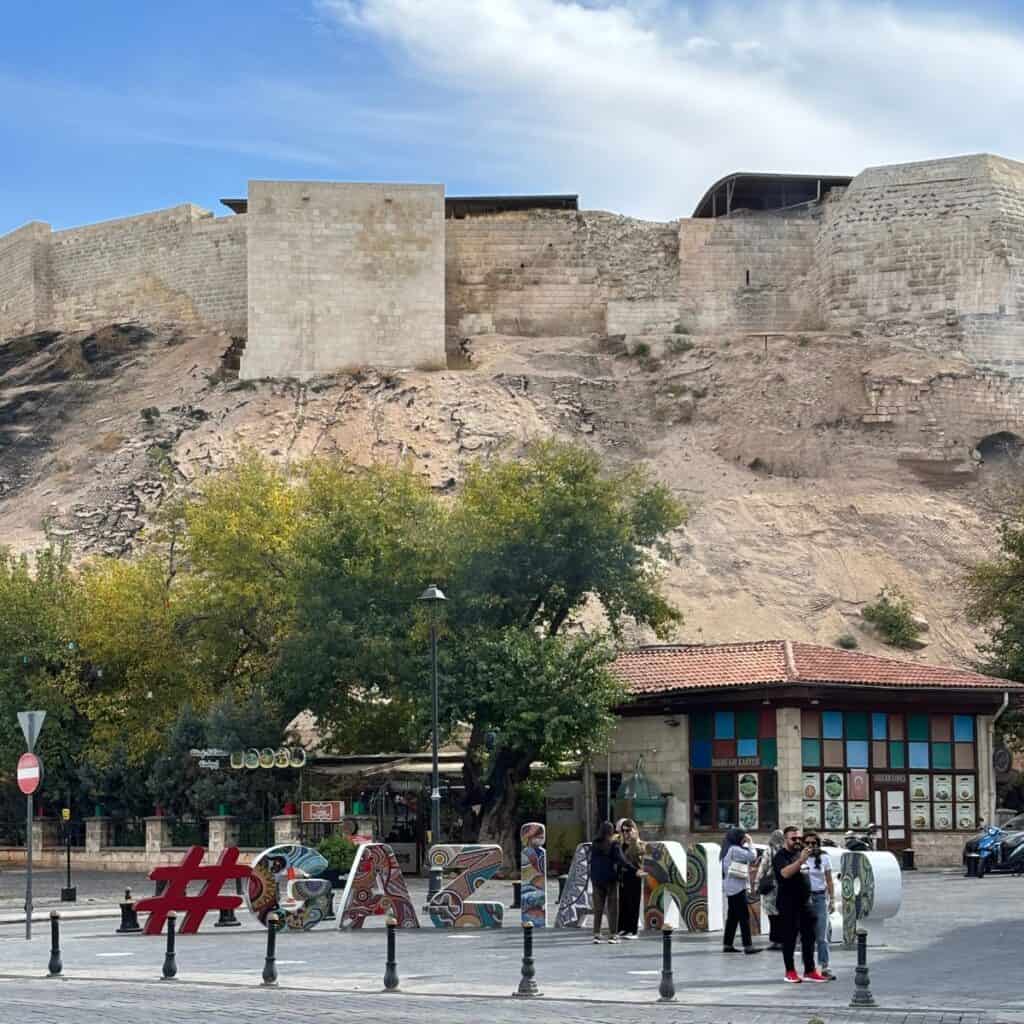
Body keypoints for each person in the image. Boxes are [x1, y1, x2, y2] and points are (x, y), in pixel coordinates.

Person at [773, 826, 828, 983]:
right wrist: (801, 861)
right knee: (789, 938)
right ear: (785, 839)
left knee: (809, 937)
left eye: (799, 838)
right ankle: (790, 971)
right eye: (793, 838)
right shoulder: (780, 856)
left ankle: (810, 970)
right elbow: (785, 873)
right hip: (788, 903)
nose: (797, 841)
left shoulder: (800, 853)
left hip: (805, 902)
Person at [720, 827, 762, 954]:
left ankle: (728, 944)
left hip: (730, 886)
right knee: (744, 916)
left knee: (732, 917)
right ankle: (748, 946)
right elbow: (752, 855)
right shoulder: (735, 849)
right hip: (738, 887)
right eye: (742, 836)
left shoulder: (726, 849)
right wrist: (750, 842)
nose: (744, 838)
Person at [589, 820, 631, 943]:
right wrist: (634, 869)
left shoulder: (595, 843)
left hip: (597, 879)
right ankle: (613, 935)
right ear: (611, 831)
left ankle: (596, 934)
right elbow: (621, 859)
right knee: (613, 908)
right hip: (611, 879)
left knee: (598, 908)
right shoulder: (614, 844)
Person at [802, 832, 836, 980]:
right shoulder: (800, 857)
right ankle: (808, 967)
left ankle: (825, 966)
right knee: (807, 934)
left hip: (820, 896)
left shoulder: (824, 857)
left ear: (817, 844)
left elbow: (829, 880)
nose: (810, 846)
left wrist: (832, 899)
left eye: (813, 843)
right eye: (807, 843)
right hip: (804, 897)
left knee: (822, 935)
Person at [755, 828, 785, 950]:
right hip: (784, 885)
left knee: (772, 915)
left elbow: (763, 868)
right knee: (783, 914)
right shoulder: (786, 850)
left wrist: (757, 883)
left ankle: (776, 940)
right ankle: (784, 939)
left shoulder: (769, 851)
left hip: (771, 886)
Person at [616, 818, 645, 938]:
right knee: (623, 903)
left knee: (633, 903)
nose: (625, 833)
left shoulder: (638, 844)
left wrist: (633, 840)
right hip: (623, 877)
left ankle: (633, 931)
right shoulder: (622, 844)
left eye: (628, 830)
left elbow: (639, 858)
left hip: (634, 877)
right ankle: (623, 928)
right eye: (623, 831)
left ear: (634, 830)